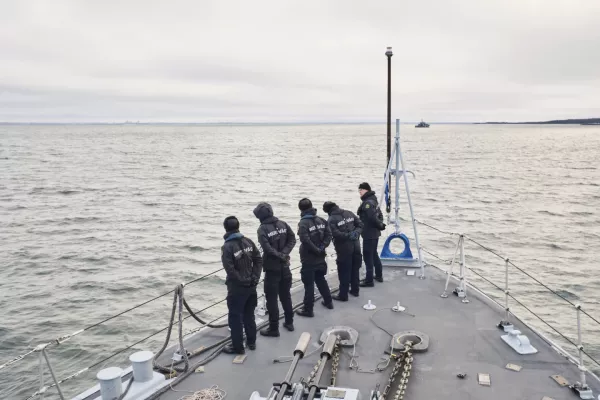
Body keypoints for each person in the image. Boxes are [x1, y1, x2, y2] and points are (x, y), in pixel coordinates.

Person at [253, 202, 296, 337]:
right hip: (285, 267)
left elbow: (267, 248)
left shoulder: (262, 229)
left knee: (271, 300)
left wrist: (279, 256)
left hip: (272, 269)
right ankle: (289, 322)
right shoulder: (283, 224)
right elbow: (292, 239)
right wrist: (284, 254)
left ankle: (273, 328)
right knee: (286, 296)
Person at [221, 216, 262, 354]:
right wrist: (255, 277)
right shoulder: (248, 241)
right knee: (249, 315)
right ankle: (252, 342)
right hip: (251, 285)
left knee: (235, 317)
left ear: (226, 229)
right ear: (238, 226)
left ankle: (238, 347)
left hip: (237, 288)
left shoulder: (227, 247)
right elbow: (258, 259)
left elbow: (230, 269)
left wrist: (241, 280)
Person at [296, 198, 334, 317]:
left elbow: (305, 240)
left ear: (301, 209)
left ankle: (308, 309)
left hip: (309, 258)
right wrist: (322, 247)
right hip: (321, 256)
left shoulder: (302, 223)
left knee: (309, 284)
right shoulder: (322, 220)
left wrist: (316, 249)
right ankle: (329, 302)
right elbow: (329, 235)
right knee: (321, 279)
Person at [323, 201, 363, 301]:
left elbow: (336, 234)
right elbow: (360, 224)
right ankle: (355, 290)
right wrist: (356, 233)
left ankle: (343, 295)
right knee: (355, 268)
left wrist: (348, 235)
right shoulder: (349, 213)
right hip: (356, 246)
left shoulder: (331, 219)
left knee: (344, 272)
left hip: (344, 249)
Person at [357, 182, 386, 287]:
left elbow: (372, 218)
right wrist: (380, 225)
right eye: (359, 190)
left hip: (369, 233)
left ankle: (369, 281)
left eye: (361, 190)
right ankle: (379, 275)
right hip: (374, 233)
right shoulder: (374, 200)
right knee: (374, 254)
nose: (359, 192)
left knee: (367, 256)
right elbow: (380, 215)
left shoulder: (368, 203)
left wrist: (380, 225)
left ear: (367, 190)